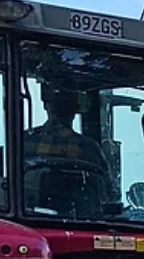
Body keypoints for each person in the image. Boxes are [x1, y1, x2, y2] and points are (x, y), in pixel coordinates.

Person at [23, 83, 108, 214]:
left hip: (30, 218)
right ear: (76, 109)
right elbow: (109, 194)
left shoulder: (24, 141)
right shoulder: (90, 149)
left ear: (46, 106)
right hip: (84, 221)